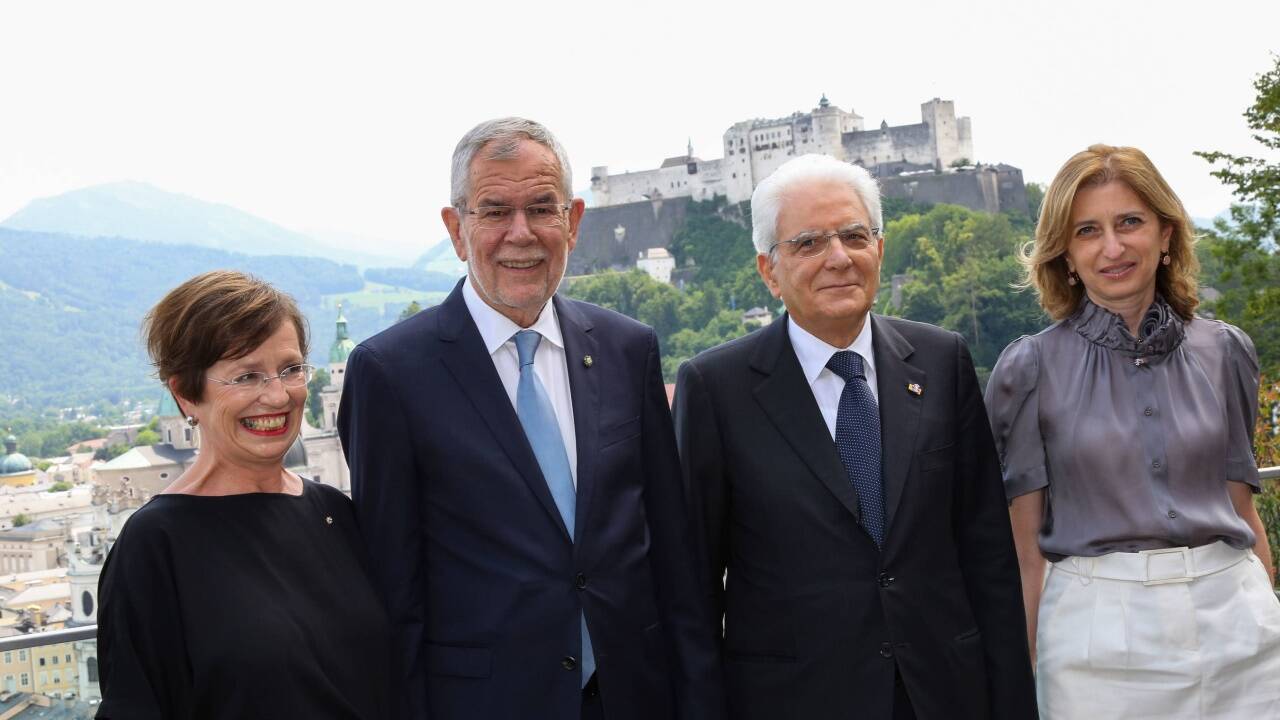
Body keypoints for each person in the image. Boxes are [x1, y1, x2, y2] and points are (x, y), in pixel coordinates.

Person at [338, 117, 723, 720]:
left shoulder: (628, 348)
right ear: (455, 229)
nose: (521, 234)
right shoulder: (389, 374)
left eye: (542, 209)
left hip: (635, 696)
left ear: (573, 220)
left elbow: (673, 558)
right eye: (494, 211)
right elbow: (396, 593)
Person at [672, 153, 1037, 720]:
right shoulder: (715, 389)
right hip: (793, 701)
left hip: (943, 694)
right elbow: (691, 590)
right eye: (809, 243)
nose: (838, 258)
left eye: (853, 235)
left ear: (880, 249)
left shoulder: (942, 362)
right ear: (769, 270)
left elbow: (986, 555)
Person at [987, 144, 1280, 718]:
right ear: (1065, 255)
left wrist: (1266, 609)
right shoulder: (1029, 370)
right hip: (1097, 647)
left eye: (1130, 223)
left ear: (1166, 234)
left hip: (1241, 628)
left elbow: (1242, 510)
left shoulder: (1224, 351)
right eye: (1087, 231)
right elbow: (1025, 552)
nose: (1113, 247)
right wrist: (1021, 675)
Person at [96, 270, 390, 719]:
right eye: (247, 376)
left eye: (290, 369)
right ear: (185, 395)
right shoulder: (156, 544)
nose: (277, 396)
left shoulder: (336, 513)